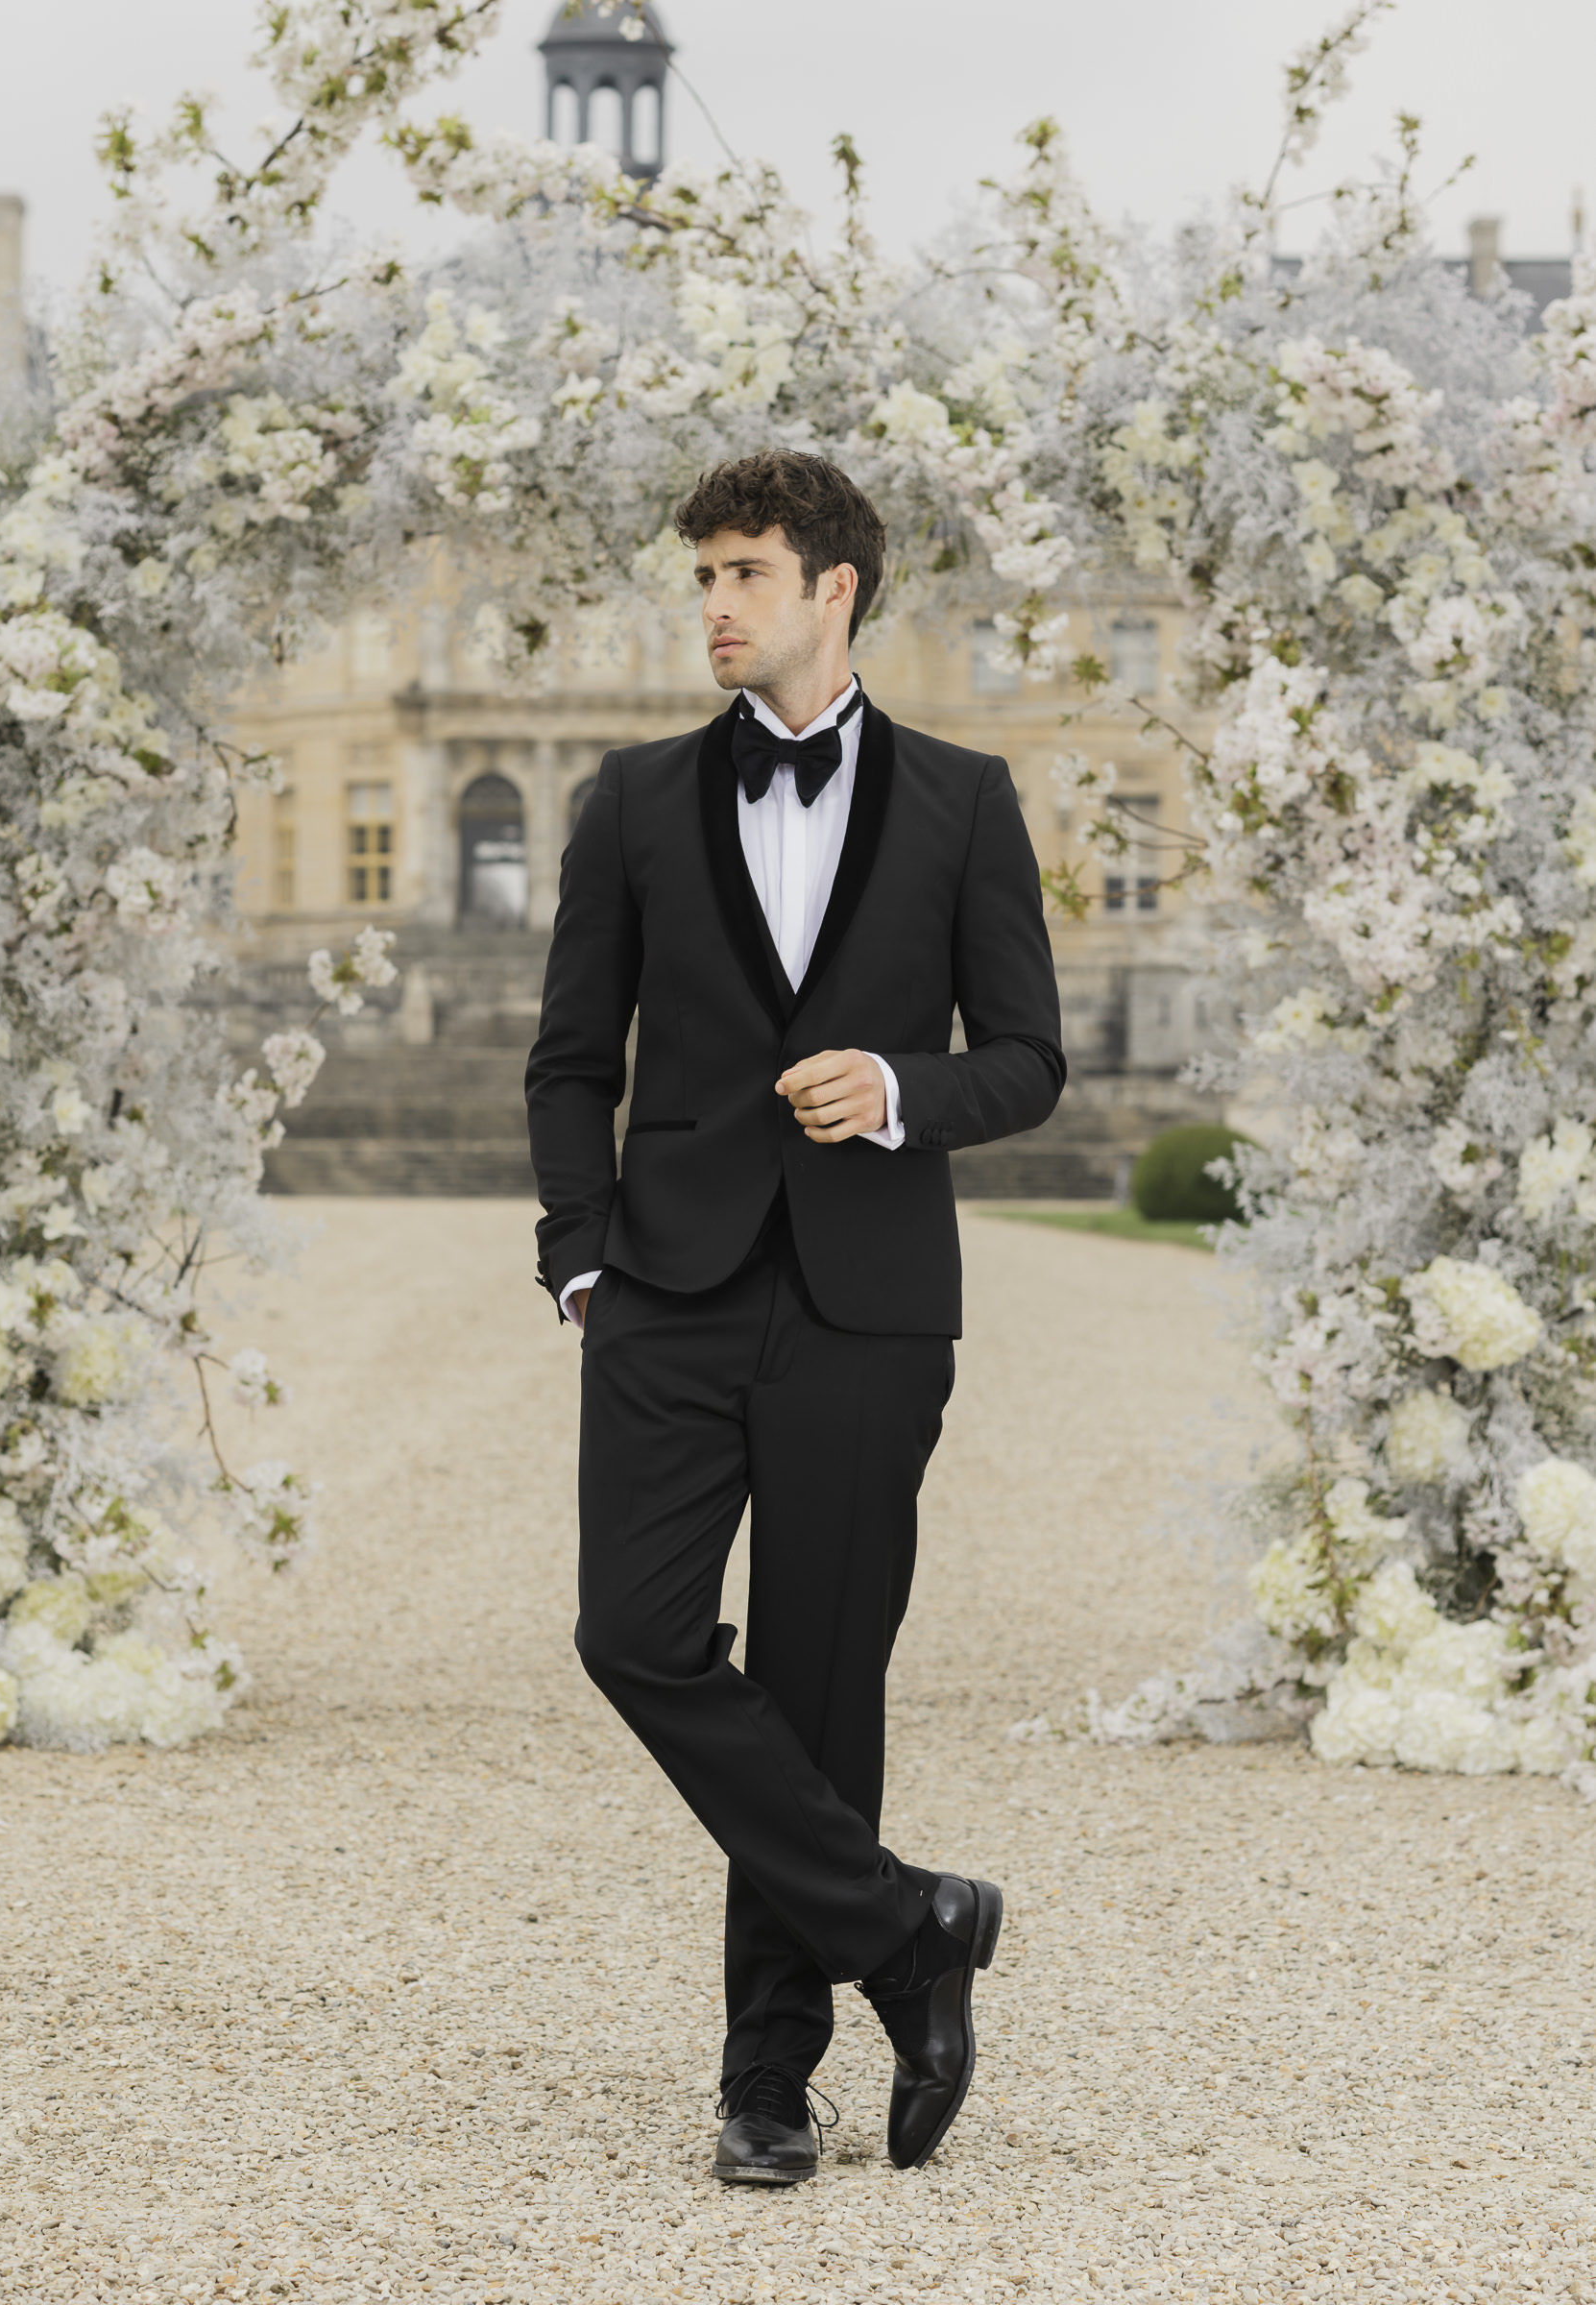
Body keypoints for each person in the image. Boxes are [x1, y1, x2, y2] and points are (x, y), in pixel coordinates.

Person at [526, 449, 1064, 2184]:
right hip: (666, 1295)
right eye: (700, 576)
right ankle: (908, 1927)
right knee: (636, 1635)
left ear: (832, 586)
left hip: (868, 1305)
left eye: (743, 572)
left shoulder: (969, 801)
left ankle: (768, 2081)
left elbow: (1028, 1061)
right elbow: (568, 1060)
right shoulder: (623, 801)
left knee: (825, 1684)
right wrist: (581, 1255)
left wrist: (901, 1089)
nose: (712, 604)